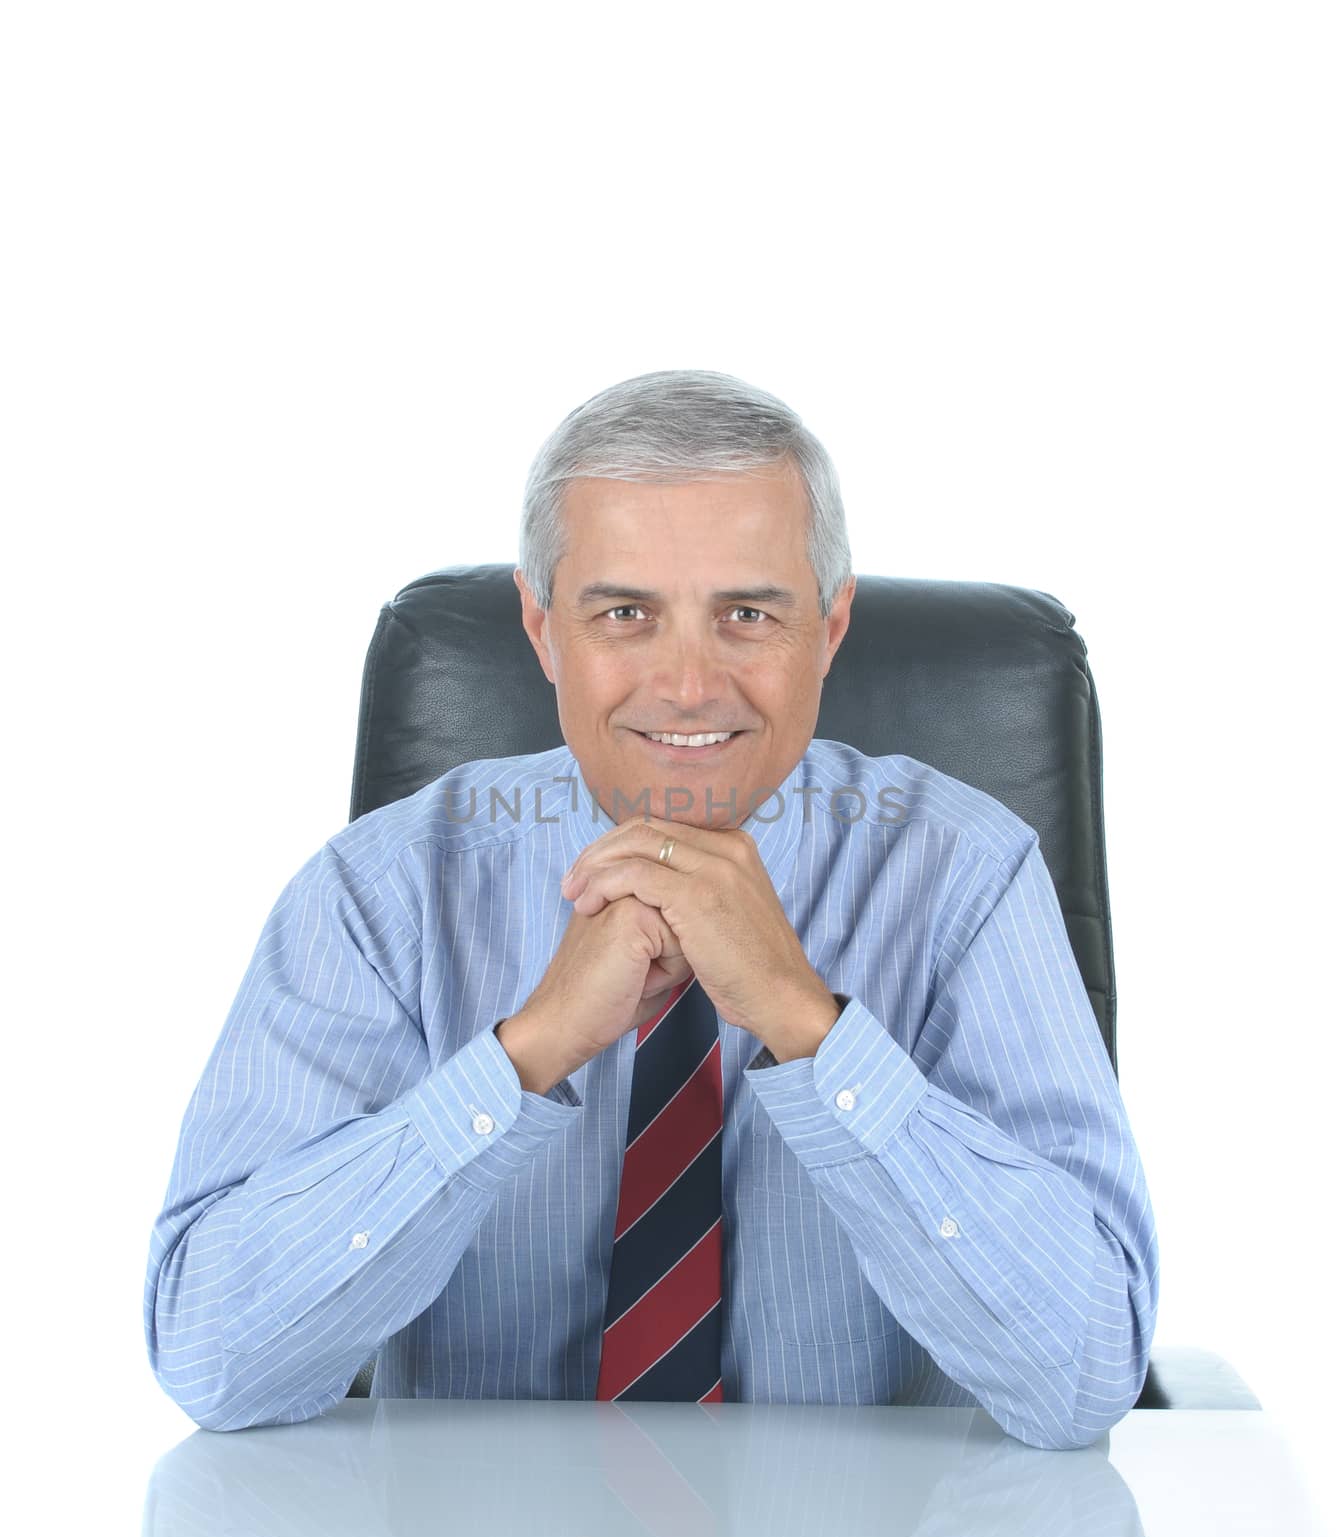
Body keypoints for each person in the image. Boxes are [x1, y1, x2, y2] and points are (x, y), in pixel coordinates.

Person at [144, 368, 1158, 1448]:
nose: (686, 683)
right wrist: (524, 1055)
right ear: (542, 630)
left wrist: (813, 1030)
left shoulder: (967, 878)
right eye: (625, 613)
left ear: (830, 625)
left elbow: (1086, 1371)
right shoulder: (381, 894)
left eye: (748, 613)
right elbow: (213, 1357)